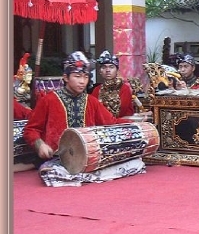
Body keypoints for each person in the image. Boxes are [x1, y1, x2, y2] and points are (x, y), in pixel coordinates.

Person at [22, 51, 146, 187]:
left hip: (88, 158)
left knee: (135, 164)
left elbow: (111, 122)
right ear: (65, 77)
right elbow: (31, 129)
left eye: (86, 77)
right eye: (77, 76)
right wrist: (40, 145)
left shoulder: (91, 101)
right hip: (58, 158)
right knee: (51, 172)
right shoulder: (49, 100)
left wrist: (136, 123)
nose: (82, 81)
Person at [90, 50, 135, 117]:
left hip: (122, 125)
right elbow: (93, 111)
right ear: (100, 71)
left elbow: (122, 111)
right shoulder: (96, 90)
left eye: (111, 67)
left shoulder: (124, 88)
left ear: (117, 70)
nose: (108, 70)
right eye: (104, 67)